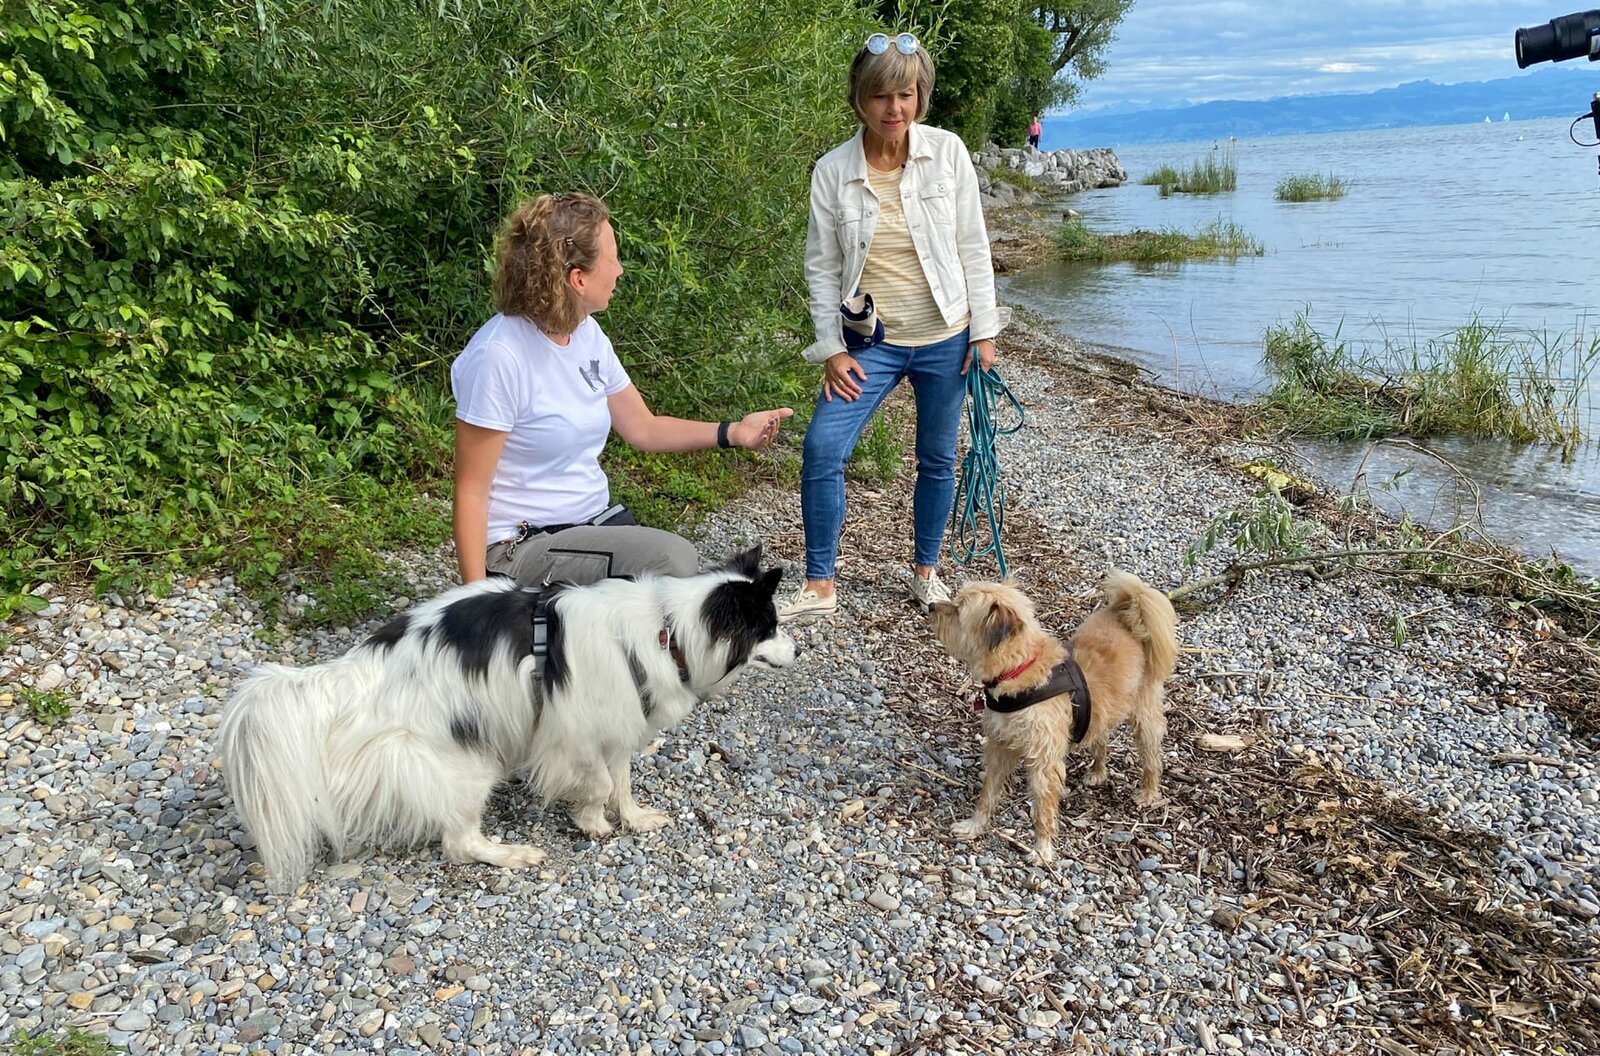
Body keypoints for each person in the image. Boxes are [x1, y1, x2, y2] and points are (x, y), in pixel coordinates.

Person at [452, 192, 793, 586]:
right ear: (578, 279)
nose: (620, 270)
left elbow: (643, 427)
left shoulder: (586, 334)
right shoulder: (499, 355)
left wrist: (734, 432)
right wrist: (475, 602)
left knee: (669, 582)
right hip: (519, 548)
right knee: (672, 560)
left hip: (587, 527)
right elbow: (471, 492)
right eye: (612, 258)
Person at [781, 31, 1008, 621]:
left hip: (946, 336)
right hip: (871, 343)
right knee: (822, 447)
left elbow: (973, 245)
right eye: (881, 95)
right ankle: (820, 583)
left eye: (905, 95)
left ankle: (926, 573)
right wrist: (831, 349)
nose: (894, 109)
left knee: (938, 458)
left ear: (920, 96)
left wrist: (983, 332)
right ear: (860, 97)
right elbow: (821, 267)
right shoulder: (833, 171)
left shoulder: (947, 153)